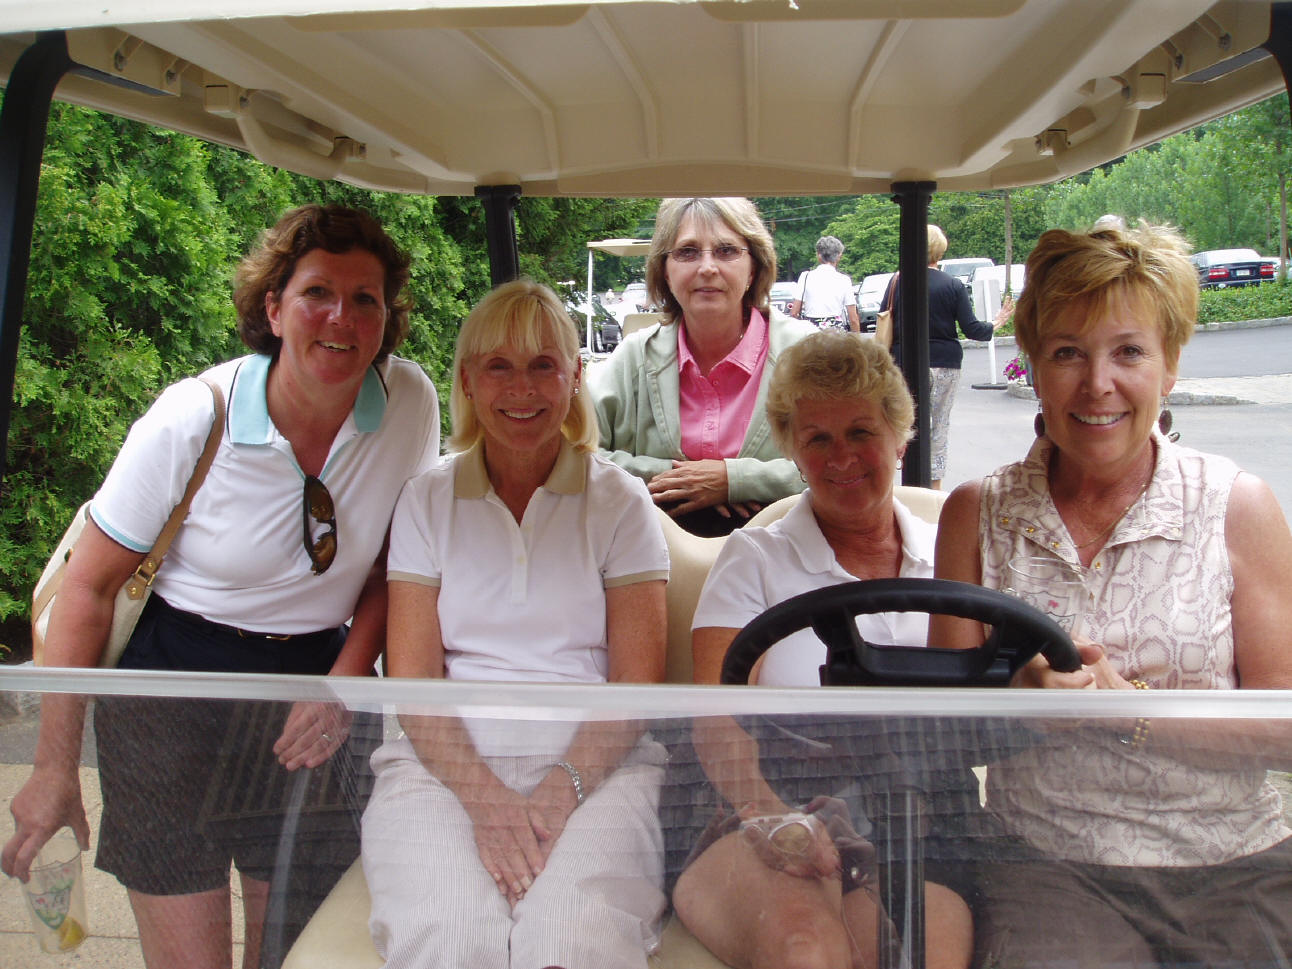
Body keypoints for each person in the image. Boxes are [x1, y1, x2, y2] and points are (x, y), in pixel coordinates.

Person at [1, 204, 441, 969]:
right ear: (274, 308)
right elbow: (89, 590)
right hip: (172, 689)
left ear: (386, 319)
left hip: (310, 690)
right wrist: (52, 767)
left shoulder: (409, 405)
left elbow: (393, 570)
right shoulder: (190, 416)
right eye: (316, 293)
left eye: (365, 298)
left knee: (293, 954)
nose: (340, 317)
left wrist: (342, 683)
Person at [932, 223, 1292, 968]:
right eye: (1067, 352)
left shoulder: (1238, 504)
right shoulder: (978, 512)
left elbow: (1285, 727)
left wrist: (1124, 709)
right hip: (1047, 862)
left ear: (1170, 367)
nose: (1098, 384)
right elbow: (945, 731)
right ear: (1031, 366)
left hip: (1236, 862)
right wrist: (1016, 699)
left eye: (1128, 350)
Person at [360, 279, 670, 969]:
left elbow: (636, 682)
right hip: (439, 767)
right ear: (467, 381)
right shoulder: (426, 500)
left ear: (575, 377)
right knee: (451, 939)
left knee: (568, 941)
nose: (521, 388)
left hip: (598, 769)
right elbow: (414, 684)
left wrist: (560, 790)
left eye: (543, 365)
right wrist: (484, 797)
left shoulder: (620, 503)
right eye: (498, 365)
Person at [673, 331, 976, 969]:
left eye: (861, 432)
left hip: (916, 816)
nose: (841, 458)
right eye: (818, 439)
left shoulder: (953, 557)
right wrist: (770, 815)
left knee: (924, 949)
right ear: (794, 450)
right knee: (806, 947)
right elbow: (713, 716)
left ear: (900, 435)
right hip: (769, 799)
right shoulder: (755, 559)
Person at [591, 197, 816, 537]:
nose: (707, 267)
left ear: (753, 266)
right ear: (664, 270)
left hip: (788, 559)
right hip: (659, 566)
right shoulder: (633, 357)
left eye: (726, 251)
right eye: (688, 252)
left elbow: (851, 461)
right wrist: (675, 476)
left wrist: (737, 480)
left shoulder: (808, 354)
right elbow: (575, 456)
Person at [879, 225, 1010, 489]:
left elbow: (885, 318)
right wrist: (996, 322)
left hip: (904, 363)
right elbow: (972, 329)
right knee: (938, 427)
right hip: (945, 363)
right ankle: (934, 488)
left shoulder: (897, 281)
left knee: (905, 423)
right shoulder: (953, 285)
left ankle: (907, 483)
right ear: (941, 250)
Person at [790, 235, 861, 332]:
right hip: (835, 333)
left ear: (818, 255)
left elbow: (794, 313)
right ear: (839, 256)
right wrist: (857, 343)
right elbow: (853, 319)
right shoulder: (844, 280)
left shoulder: (805, 277)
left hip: (811, 332)